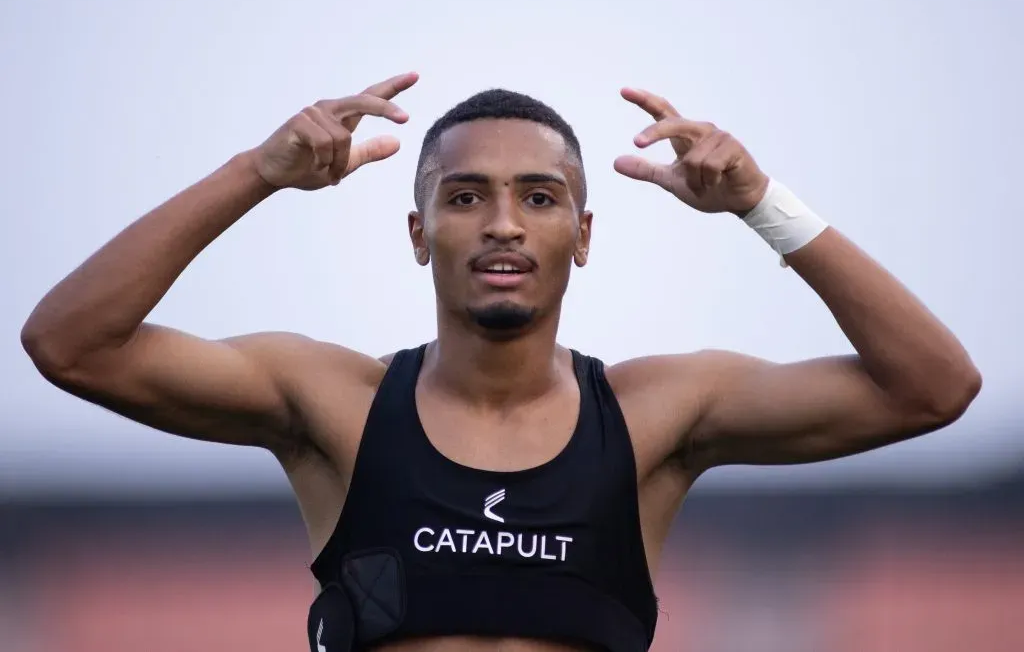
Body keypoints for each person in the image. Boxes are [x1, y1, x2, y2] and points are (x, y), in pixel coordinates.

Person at [21, 71, 981, 652]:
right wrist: (257, 173)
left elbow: (934, 385)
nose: (505, 224)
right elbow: (71, 343)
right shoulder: (333, 401)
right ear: (418, 231)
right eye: (467, 196)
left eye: (540, 196)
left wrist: (760, 201)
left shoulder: (656, 415)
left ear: (585, 233)